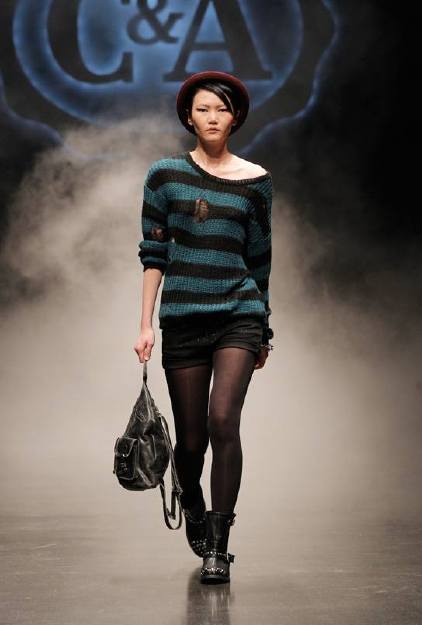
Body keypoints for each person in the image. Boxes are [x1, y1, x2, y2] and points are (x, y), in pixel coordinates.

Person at [133, 70, 274, 584]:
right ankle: (190, 497)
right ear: (188, 118)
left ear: (235, 117)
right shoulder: (164, 176)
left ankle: (218, 546)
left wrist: (264, 328)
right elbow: (153, 254)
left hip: (239, 314)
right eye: (203, 109)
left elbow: (260, 261)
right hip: (183, 319)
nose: (213, 117)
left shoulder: (257, 181)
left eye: (222, 109)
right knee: (191, 443)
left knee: (222, 422)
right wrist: (144, 325)